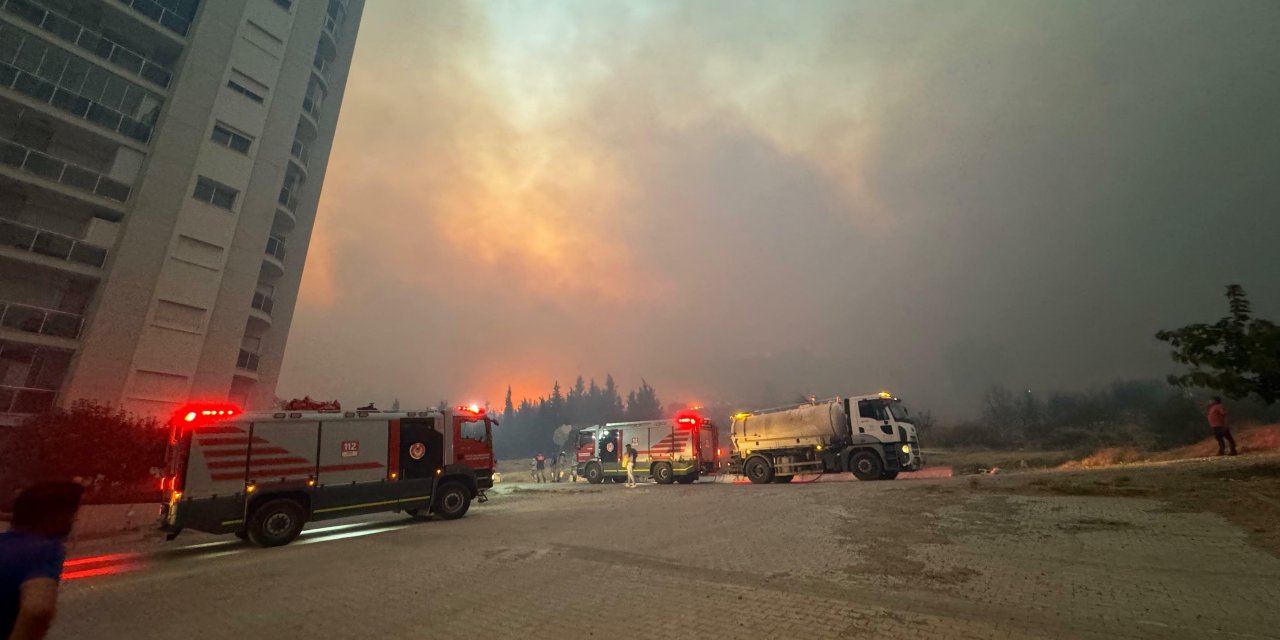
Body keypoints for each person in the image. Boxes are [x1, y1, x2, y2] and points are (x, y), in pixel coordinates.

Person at [2, 482, 83, 640]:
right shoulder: (44, 549)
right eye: (72, 515)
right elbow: (38, 610)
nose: (73, 521)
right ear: (59, 518)